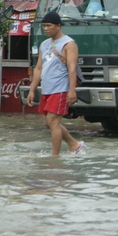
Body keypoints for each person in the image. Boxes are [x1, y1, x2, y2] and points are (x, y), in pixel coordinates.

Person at [26, 12, 85, 157]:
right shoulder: (44, 44)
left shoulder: (69, 44)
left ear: (58, 26)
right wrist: (32, 90)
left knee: (52, 121)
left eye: (48, 26)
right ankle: (74, 145)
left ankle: (55, 157)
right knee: (48, 123)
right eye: (44, 26)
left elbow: (72, 68)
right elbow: (38, 68)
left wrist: (72, 91)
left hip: (60, 88)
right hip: (47, 89)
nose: (45, 29)